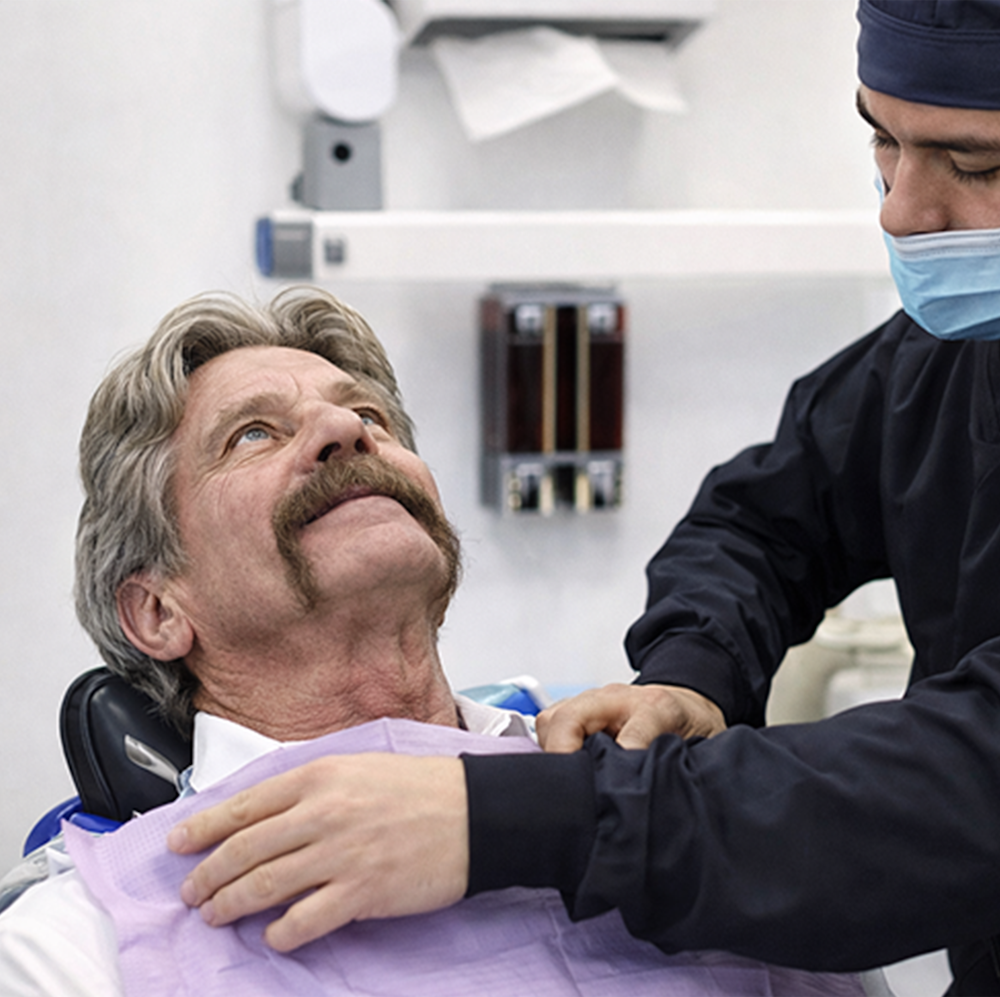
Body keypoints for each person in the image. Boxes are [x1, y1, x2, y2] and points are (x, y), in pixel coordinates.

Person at [159, 3, 1000, 996]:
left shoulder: (547, 800)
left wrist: (515, 818)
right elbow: (763, 517)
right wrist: (693, 673)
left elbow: (964, 783)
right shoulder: (97, 925)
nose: (899, 212)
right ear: (153, 604)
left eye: (975, 165)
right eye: (879, 138)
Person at [0, 287, 875, 997]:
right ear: (157, 610)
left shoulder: (660, 800)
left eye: (368, 414)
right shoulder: (80, 946)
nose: (347, 433)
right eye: (253, 433)